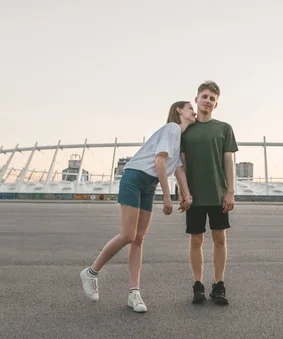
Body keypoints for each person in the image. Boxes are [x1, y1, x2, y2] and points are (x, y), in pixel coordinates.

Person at [80, 101, 196, 312]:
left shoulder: (178, 139)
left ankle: (134, 293)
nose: (193, 111)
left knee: (139, 238)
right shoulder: (171, 128)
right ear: (179, 110)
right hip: (135, 177)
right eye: (190, 107)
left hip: (149, 183)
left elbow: (178, 168)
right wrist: (168, 198)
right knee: (128, 235)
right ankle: (91, 272)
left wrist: (187, 194)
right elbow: (160, 162)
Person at [179, 81, 238, 305]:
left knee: (219, 239)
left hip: (217, 194)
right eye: (204, 96)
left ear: (216, 104)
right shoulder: (186, 130)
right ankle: (198, 285)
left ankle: (219, 284)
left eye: (212, 99)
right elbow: (180, 165)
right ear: (196, 100)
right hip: (193, 195)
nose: (207, 101)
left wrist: (230, 192)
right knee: (196, 240)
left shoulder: (224, 128)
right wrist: (182, 193)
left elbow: (228, 161)